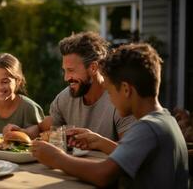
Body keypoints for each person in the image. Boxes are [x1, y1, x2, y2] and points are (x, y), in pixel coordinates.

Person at [32, 43, 189, 188]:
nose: (110, 99)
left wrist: (57, 158)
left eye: (110, 91)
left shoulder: (147, 129)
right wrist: (99, 142)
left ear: (126, 90)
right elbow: (135, 156)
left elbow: (102, 174)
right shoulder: (165, 119)